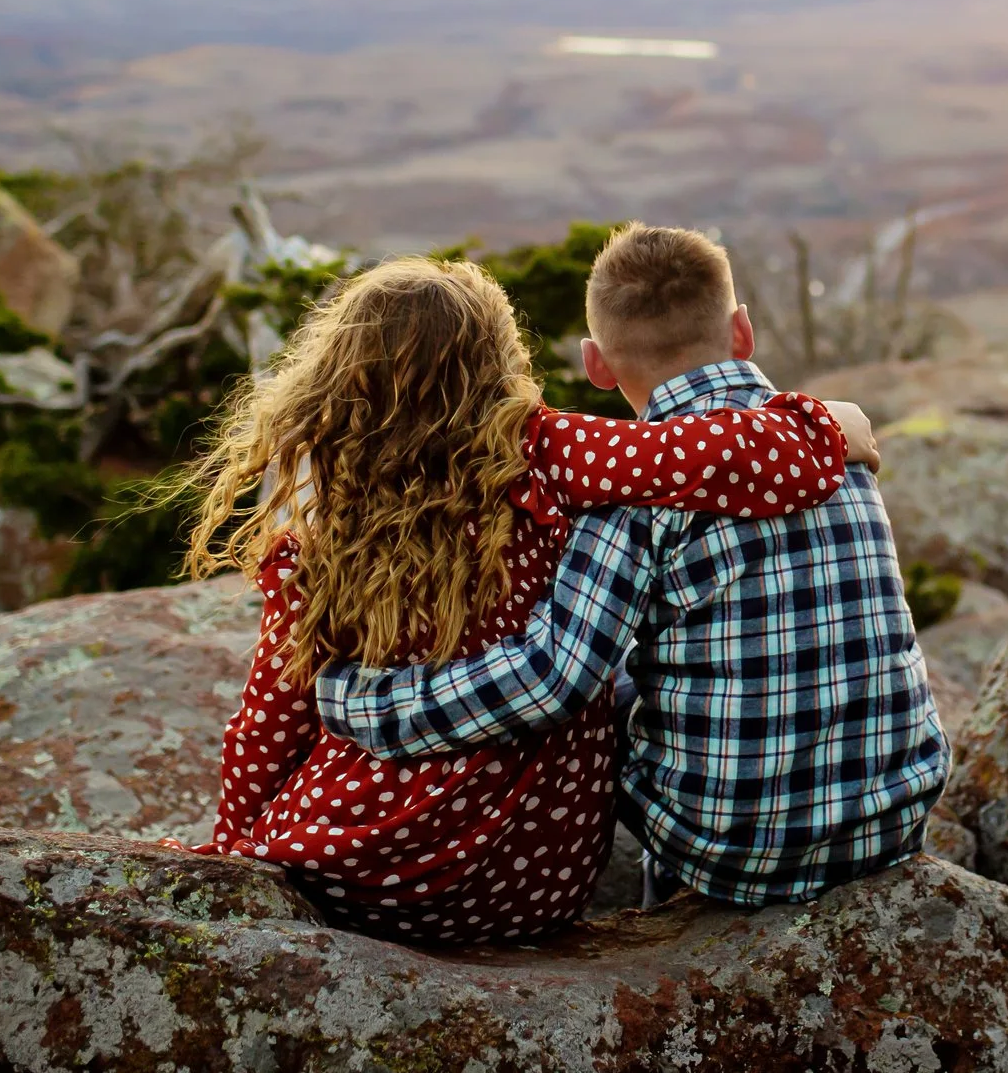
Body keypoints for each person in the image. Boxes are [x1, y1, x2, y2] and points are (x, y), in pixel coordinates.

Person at [177, 254, 873, 943]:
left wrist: (239, 854)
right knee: (635, 679)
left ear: (334, 383)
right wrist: (828, 425)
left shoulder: (318, 534)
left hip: (356, 869)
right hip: (535, 882)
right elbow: (713, 452)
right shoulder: (546, 452)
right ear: (501, 359)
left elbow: (268, 722)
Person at [324, 225, 947, 908]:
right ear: (743, 331)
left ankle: (662, 898)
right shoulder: (828, 445)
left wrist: (368, 705)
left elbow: (550, 679)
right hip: (893, 822)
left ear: (596, 363)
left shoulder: (630, 487)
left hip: (731, 851)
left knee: (591, 689)